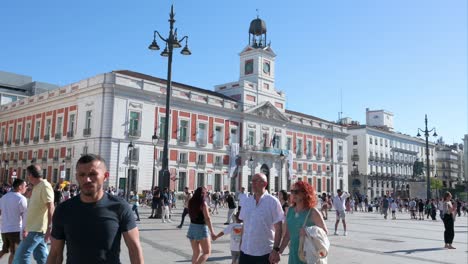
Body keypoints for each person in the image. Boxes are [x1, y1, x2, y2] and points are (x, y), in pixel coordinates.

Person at [46, 154, 144, 263]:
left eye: (93, 174)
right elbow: (55, 253)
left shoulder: (120, 207)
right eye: (82, 175)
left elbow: (134, 248)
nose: (87, 179)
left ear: (105, 176)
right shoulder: (63, 209)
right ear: (77, 177)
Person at [278, 181, 328, 264]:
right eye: (292, 191)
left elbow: (325, 232)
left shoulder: (312, 212)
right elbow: (287, 235)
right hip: (294, 254)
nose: (293, 194)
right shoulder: (290, 211)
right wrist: (279, 252)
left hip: (308, 255)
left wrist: (309, 231)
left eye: (296, 192)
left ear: (305, 194)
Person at [239, 173, 284, 264]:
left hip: (264, 253)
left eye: (256, 181)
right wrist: (240, 244)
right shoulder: (247, 201)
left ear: (265, 184)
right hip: (245, 251)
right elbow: (244, 225)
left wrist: (276, 250)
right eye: (252, 181)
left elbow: (279, 228)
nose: (253, 184)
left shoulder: (273, 202)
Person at [13, 165, 54, 264]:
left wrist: (50, 228)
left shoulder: (45, 186)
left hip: (38, 229)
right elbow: (29, 200)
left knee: (20, 256)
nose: (27, 177)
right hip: (33, 228)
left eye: (27, 175)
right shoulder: (36, 186)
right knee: (41, 256)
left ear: (31, 175)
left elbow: (51, 207)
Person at [0, 179, 28, 264]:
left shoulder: (4, 197)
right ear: (20, 187)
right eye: (25, 186)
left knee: (5, 250)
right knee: (15, 253)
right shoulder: (21, 198)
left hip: (4, 229)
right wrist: (26, 230)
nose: (26, 188)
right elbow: (25, 216)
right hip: (15, 230)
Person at [187, 186, 216, 264]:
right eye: (205, 193)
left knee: (196, 253)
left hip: (192, 227)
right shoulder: (203, 203)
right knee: (207, 252)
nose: (206, 195)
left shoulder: (191, 201)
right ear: (202, 194)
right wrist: (212, 232)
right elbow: (207, 218)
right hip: (201, 228)